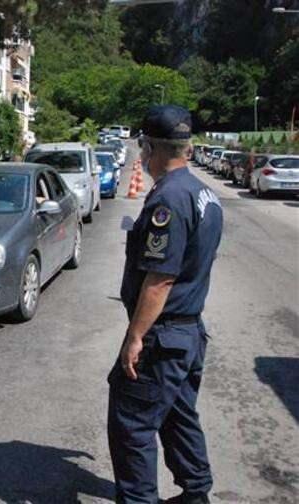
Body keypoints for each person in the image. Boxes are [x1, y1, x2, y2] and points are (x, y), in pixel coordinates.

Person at [107, 105, 223, 504]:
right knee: (177, 416)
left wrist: (136, 336)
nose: (141, 155)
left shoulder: (169, 201)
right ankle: (196, 493)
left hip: (163, 335)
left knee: (131, 426)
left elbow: (160, 279)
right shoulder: (202, 192)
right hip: (188, 332)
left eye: (144, 147)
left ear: (152, 147)